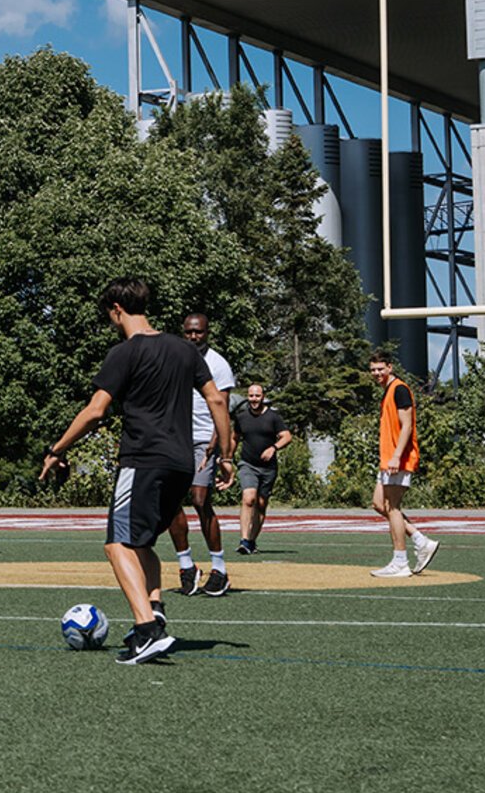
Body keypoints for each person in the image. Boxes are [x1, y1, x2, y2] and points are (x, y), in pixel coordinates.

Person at [39, 278, 232, 665]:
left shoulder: (124, 353)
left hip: (143, 460)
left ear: (116, 309)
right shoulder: (185, 349)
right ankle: (155, 610)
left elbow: (96, 411)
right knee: (141, 543)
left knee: (117, 544)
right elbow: (217, 399)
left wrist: (56, 449)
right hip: (182, 463)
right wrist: (225, 454)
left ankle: (145, 631)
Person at [167, 311, 237, 598]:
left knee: (200, 499)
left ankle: (219, 568)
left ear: (207, 333)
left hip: (203, 442)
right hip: (176, 439)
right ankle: (186, 566)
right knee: (169, 501)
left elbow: (223, 406)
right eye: (189, 332)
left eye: (199, 332)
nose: (194, 337)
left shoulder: (218, 364)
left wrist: (218, 443)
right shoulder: (176, 359)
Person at [368, 352, 438, 578]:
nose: (377, 373)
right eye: (373, 370)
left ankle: (400, 561)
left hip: (397, 458)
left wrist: (397, 455)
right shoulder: (388, 390)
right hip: (388, 459)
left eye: (380, 369)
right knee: (379, 504)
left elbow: (407, 426)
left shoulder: (399, 389)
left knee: (392, 507)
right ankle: (420, 540)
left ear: (390, 367)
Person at [232, 382, 294, 555]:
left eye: (257, 396)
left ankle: (251, 541)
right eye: (251, 396)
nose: (254, 399)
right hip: (247, 464)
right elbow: (234, 438)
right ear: (247, 397)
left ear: (263, 397)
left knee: (260, 504)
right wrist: (226, 458)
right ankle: (244, 540)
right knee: (249, 498)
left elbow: (286, 436)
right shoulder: (242, 417)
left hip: (268, 468)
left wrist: (273, 448)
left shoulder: (273, 417)